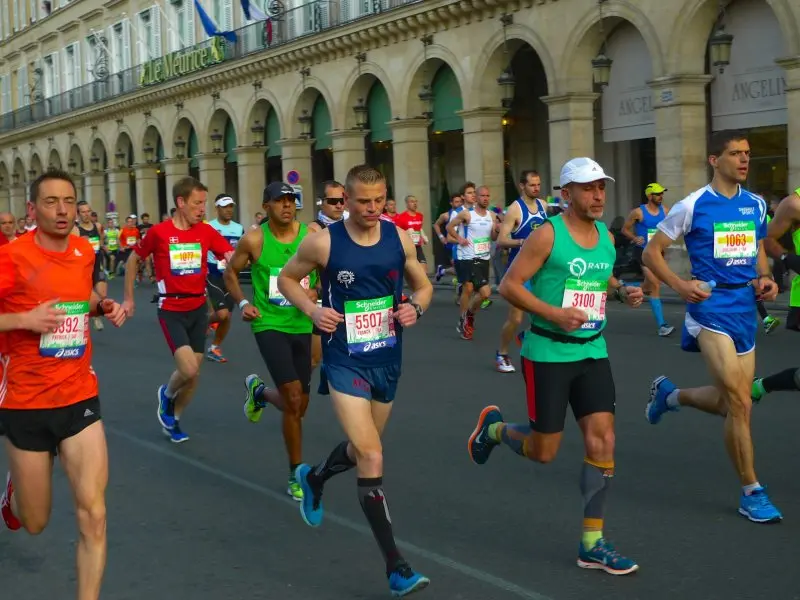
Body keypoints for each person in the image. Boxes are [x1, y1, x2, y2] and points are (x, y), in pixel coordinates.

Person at [467, 157, 643, 576]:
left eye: (601, 187)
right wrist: (554, 313)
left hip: (592, 350)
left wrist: (622, 292)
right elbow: (510, 285)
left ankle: (592, 543)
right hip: (547, 352)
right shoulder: (548, 235)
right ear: (567, 194)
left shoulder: (605, 235)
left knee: (603, 442)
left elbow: (599, 280)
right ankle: (493, 430)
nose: (598, 195)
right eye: (588, 188)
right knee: (544, 451)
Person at [279, 165, 433, 596]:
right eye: (362, 201)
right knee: (371, 455)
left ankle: (315, 478)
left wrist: (415, 309)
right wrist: (312, 312)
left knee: (361, 448)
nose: (371, 208)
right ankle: (396, 566)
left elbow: (421, 288)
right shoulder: (324, 242)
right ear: (344, 200)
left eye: (379, 200)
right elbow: (287, 279)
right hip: (344, 358)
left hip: (386, 357)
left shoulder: (398, 237)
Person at [0, 169, 127, 600]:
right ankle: (14, 493)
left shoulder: (81, 250)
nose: (62, 210)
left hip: (78, 395)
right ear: (32, 209)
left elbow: (80, 297)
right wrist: (23, 320)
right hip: (24, 400)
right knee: (33, 522)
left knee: (94, 514)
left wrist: (102, 305)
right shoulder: (11, 256)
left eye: (69, 201)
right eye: (51, 202)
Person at [644, 129, 781, 523]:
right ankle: (752, 491)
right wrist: (680, 286)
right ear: (714, 160)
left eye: (747, 154)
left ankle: (670, 396)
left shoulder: (755, 204)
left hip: (744, 307)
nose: (743, 160)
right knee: (740, 402)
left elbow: (755, 247)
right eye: (735, 153)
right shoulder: (692, 206)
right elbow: (652, 253)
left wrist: (765, 277)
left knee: (730, 403)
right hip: (709, 308)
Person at [122, 177, 233, 443]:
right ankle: (167, 395)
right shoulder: (159, 233)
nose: (202, 208)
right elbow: (133, 259)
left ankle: (174, 421)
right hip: (171, 308)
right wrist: (128, 299)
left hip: (198, 308)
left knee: (193, 377)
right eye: (197, 203)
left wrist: (237, 257)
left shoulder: (206, 232)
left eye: (204, 203)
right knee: (189, 370)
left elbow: (229, 254)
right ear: (181, 202)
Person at [225, 181, 318, 501]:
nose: (287, 206)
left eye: (291, 200)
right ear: (266, 206)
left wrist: (316, 293)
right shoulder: (254, 239)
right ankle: (296, 472)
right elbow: (230, 273)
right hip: (269, 324)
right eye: (279, 201)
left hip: (303, 322)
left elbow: (325, 271)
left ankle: (260, 392)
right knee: (293, 398)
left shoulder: (311, 236)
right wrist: (242, 304)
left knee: (300, 404)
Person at [494, 170, 548, 372]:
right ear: (522, 186)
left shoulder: (543, 206)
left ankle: (525, 336)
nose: (537, 188)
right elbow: (501, 240)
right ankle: (502, 353)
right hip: (520, 271)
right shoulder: (515, 210)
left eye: (538, 184)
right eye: (532, 185)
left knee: (548, 311)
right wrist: (522, 242)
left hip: (541, 270)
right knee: (516, 318)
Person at [750, 186, 800, 401]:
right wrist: (786, 259)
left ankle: (760, 387)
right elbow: (765, 239)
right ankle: (761, 386)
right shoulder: (794, 204)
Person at [620, 183, 675, 337]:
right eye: (658, 194)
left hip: (658, 253)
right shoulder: (638, 212)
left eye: (662, 194)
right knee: (655, 284)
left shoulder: (665, 211)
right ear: (650, 196)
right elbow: (625, 229)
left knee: (648, 285)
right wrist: (634, 237)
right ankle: (662, 326)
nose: (661, 196)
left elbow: (672, 227)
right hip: (643, 253)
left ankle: (621, 286)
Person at [447, 185, 499, 340]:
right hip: (467, 258)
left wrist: (496, 229)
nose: (486, 198)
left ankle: (466, 318)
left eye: (488, 195)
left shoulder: (492, 215)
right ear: (476, 198)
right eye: (482, 195)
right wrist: (459, 239)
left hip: (483, 258)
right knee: (478, 290)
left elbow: (494, 238)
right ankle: (466, 318)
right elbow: (450, 227)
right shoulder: (467, 214)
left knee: (476, 292)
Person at [205, 194, 245, 363]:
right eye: (225, 206)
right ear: (217, 208)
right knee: (221, 314)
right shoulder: (208, 227)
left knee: (227, 316)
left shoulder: (238, 228)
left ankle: (214, 347)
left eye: (231, 206)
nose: (229, 210)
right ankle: (201, 322)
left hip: (231, 276)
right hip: (213, 274)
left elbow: (243, 251)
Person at [73, 201, 107, 331]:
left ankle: (95, 314)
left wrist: (102, 246)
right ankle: (95, 317)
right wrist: (82, 244)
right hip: (84, 266)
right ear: (78, 214)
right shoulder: (75, 230)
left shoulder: (97, 226)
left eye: (88, 211)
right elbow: (72, 248)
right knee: (87, 293)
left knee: (102, 294)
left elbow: (101, 239)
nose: (86, 214)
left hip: (98, 262)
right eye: (83, 212)